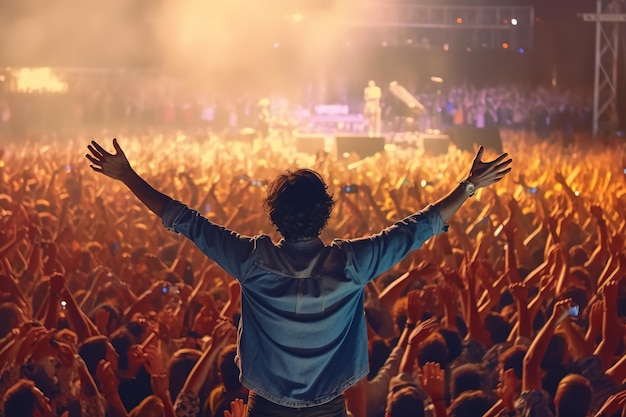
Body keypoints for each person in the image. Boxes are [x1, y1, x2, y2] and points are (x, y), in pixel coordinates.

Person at [85, 138, 512, 417]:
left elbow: (186, 220)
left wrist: (127, 177)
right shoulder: (352, 264)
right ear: (326, 214)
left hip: (265, 407)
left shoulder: (252, 261)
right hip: (330, 407)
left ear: (275, 216)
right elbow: (417, 227)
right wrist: (469, 186)